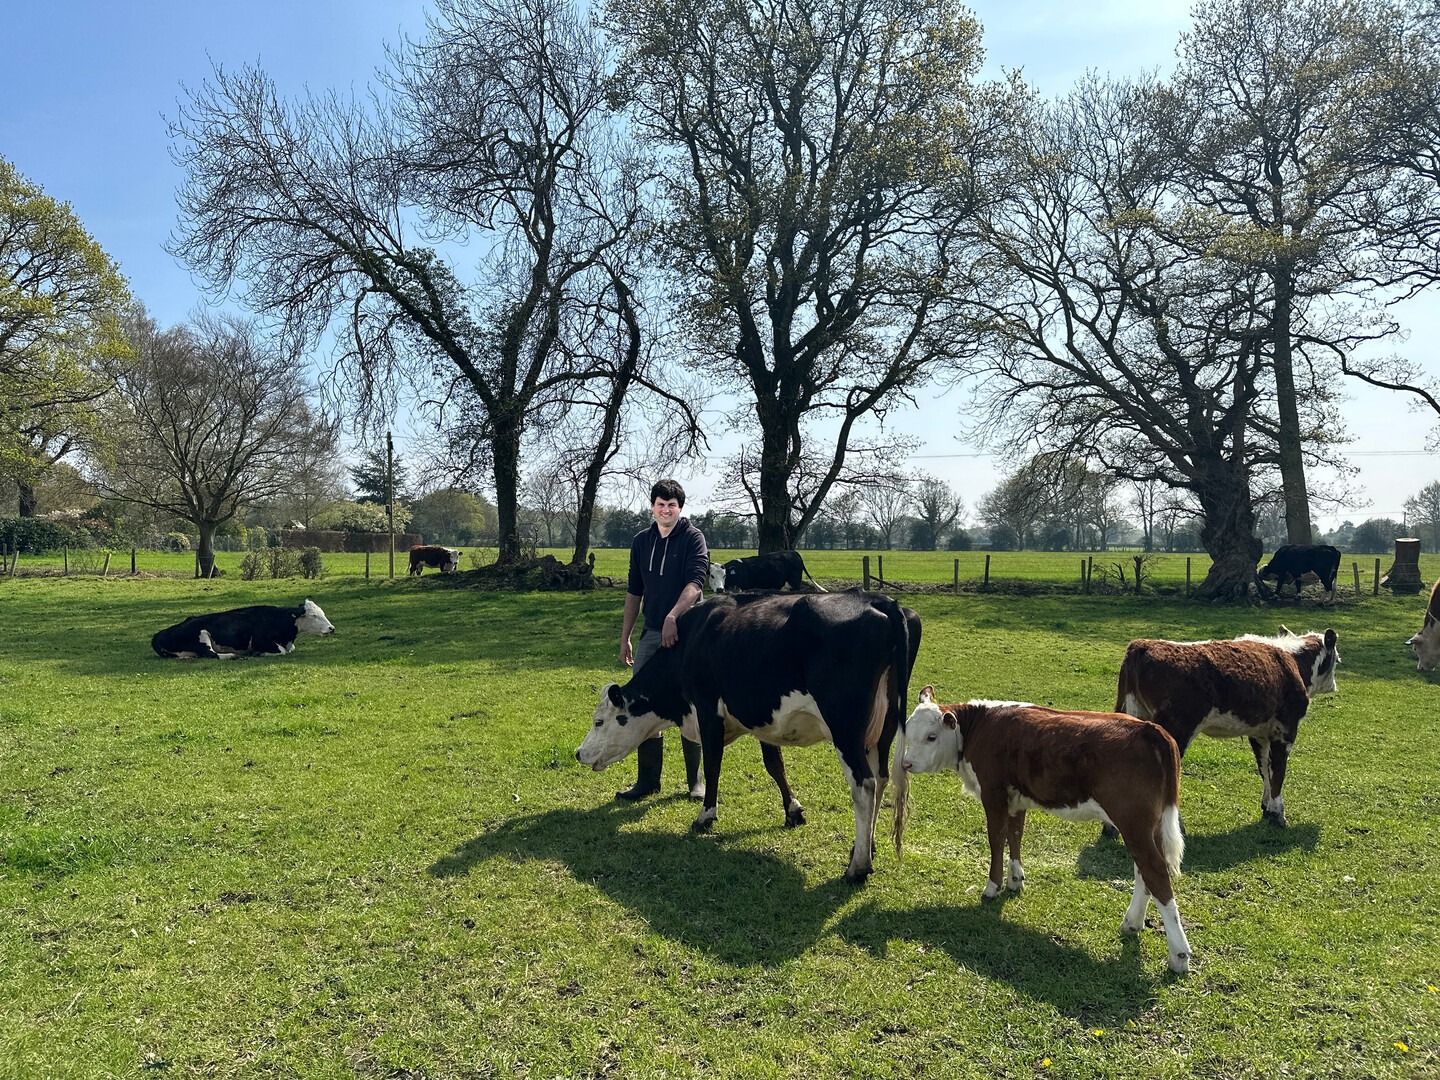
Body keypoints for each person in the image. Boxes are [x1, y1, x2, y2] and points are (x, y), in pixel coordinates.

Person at [616, 478, 709, 802]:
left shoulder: (693, 538)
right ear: (652, 507)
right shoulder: (641, 541)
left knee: (689, 705)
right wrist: (626, 636)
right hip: (651, 631)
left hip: (688, 633)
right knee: (642, 702)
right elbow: (634, 591)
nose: (666, 510)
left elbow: (695, 583)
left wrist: (674, 616)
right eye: (660, 504)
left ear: (679, 508)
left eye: (671, 505)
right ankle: (647, 781)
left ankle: (696, 782)